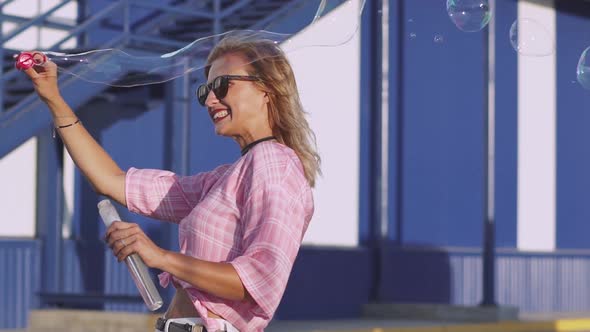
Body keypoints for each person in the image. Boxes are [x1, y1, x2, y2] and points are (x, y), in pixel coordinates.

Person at [22, 37, 321, 332]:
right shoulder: (224, 179)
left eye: (222, 85)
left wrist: (162, 257)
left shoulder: (275, 165)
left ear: (266, 89)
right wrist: (53, 98)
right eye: (205, 91)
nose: (210, 100)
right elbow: (112, 181)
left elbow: (259, 281)